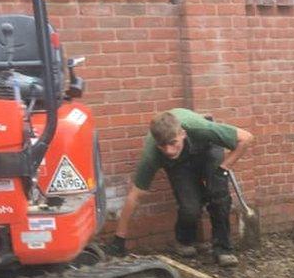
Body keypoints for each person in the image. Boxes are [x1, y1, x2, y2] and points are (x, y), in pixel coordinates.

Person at [106, 109, 254, 266]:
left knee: (218, 195)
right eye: (163, 146)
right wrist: (119, 238)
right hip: (179, 165)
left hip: (208, 149)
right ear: (157, 143)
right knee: (190, 207)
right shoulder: (152, 154)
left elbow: (246, 138)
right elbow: (134, 196)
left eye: (172, 143)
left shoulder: (200, 129)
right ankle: (184, 241)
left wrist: (223, 168)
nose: (169, 150)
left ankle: (223, 249)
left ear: (182, 134)